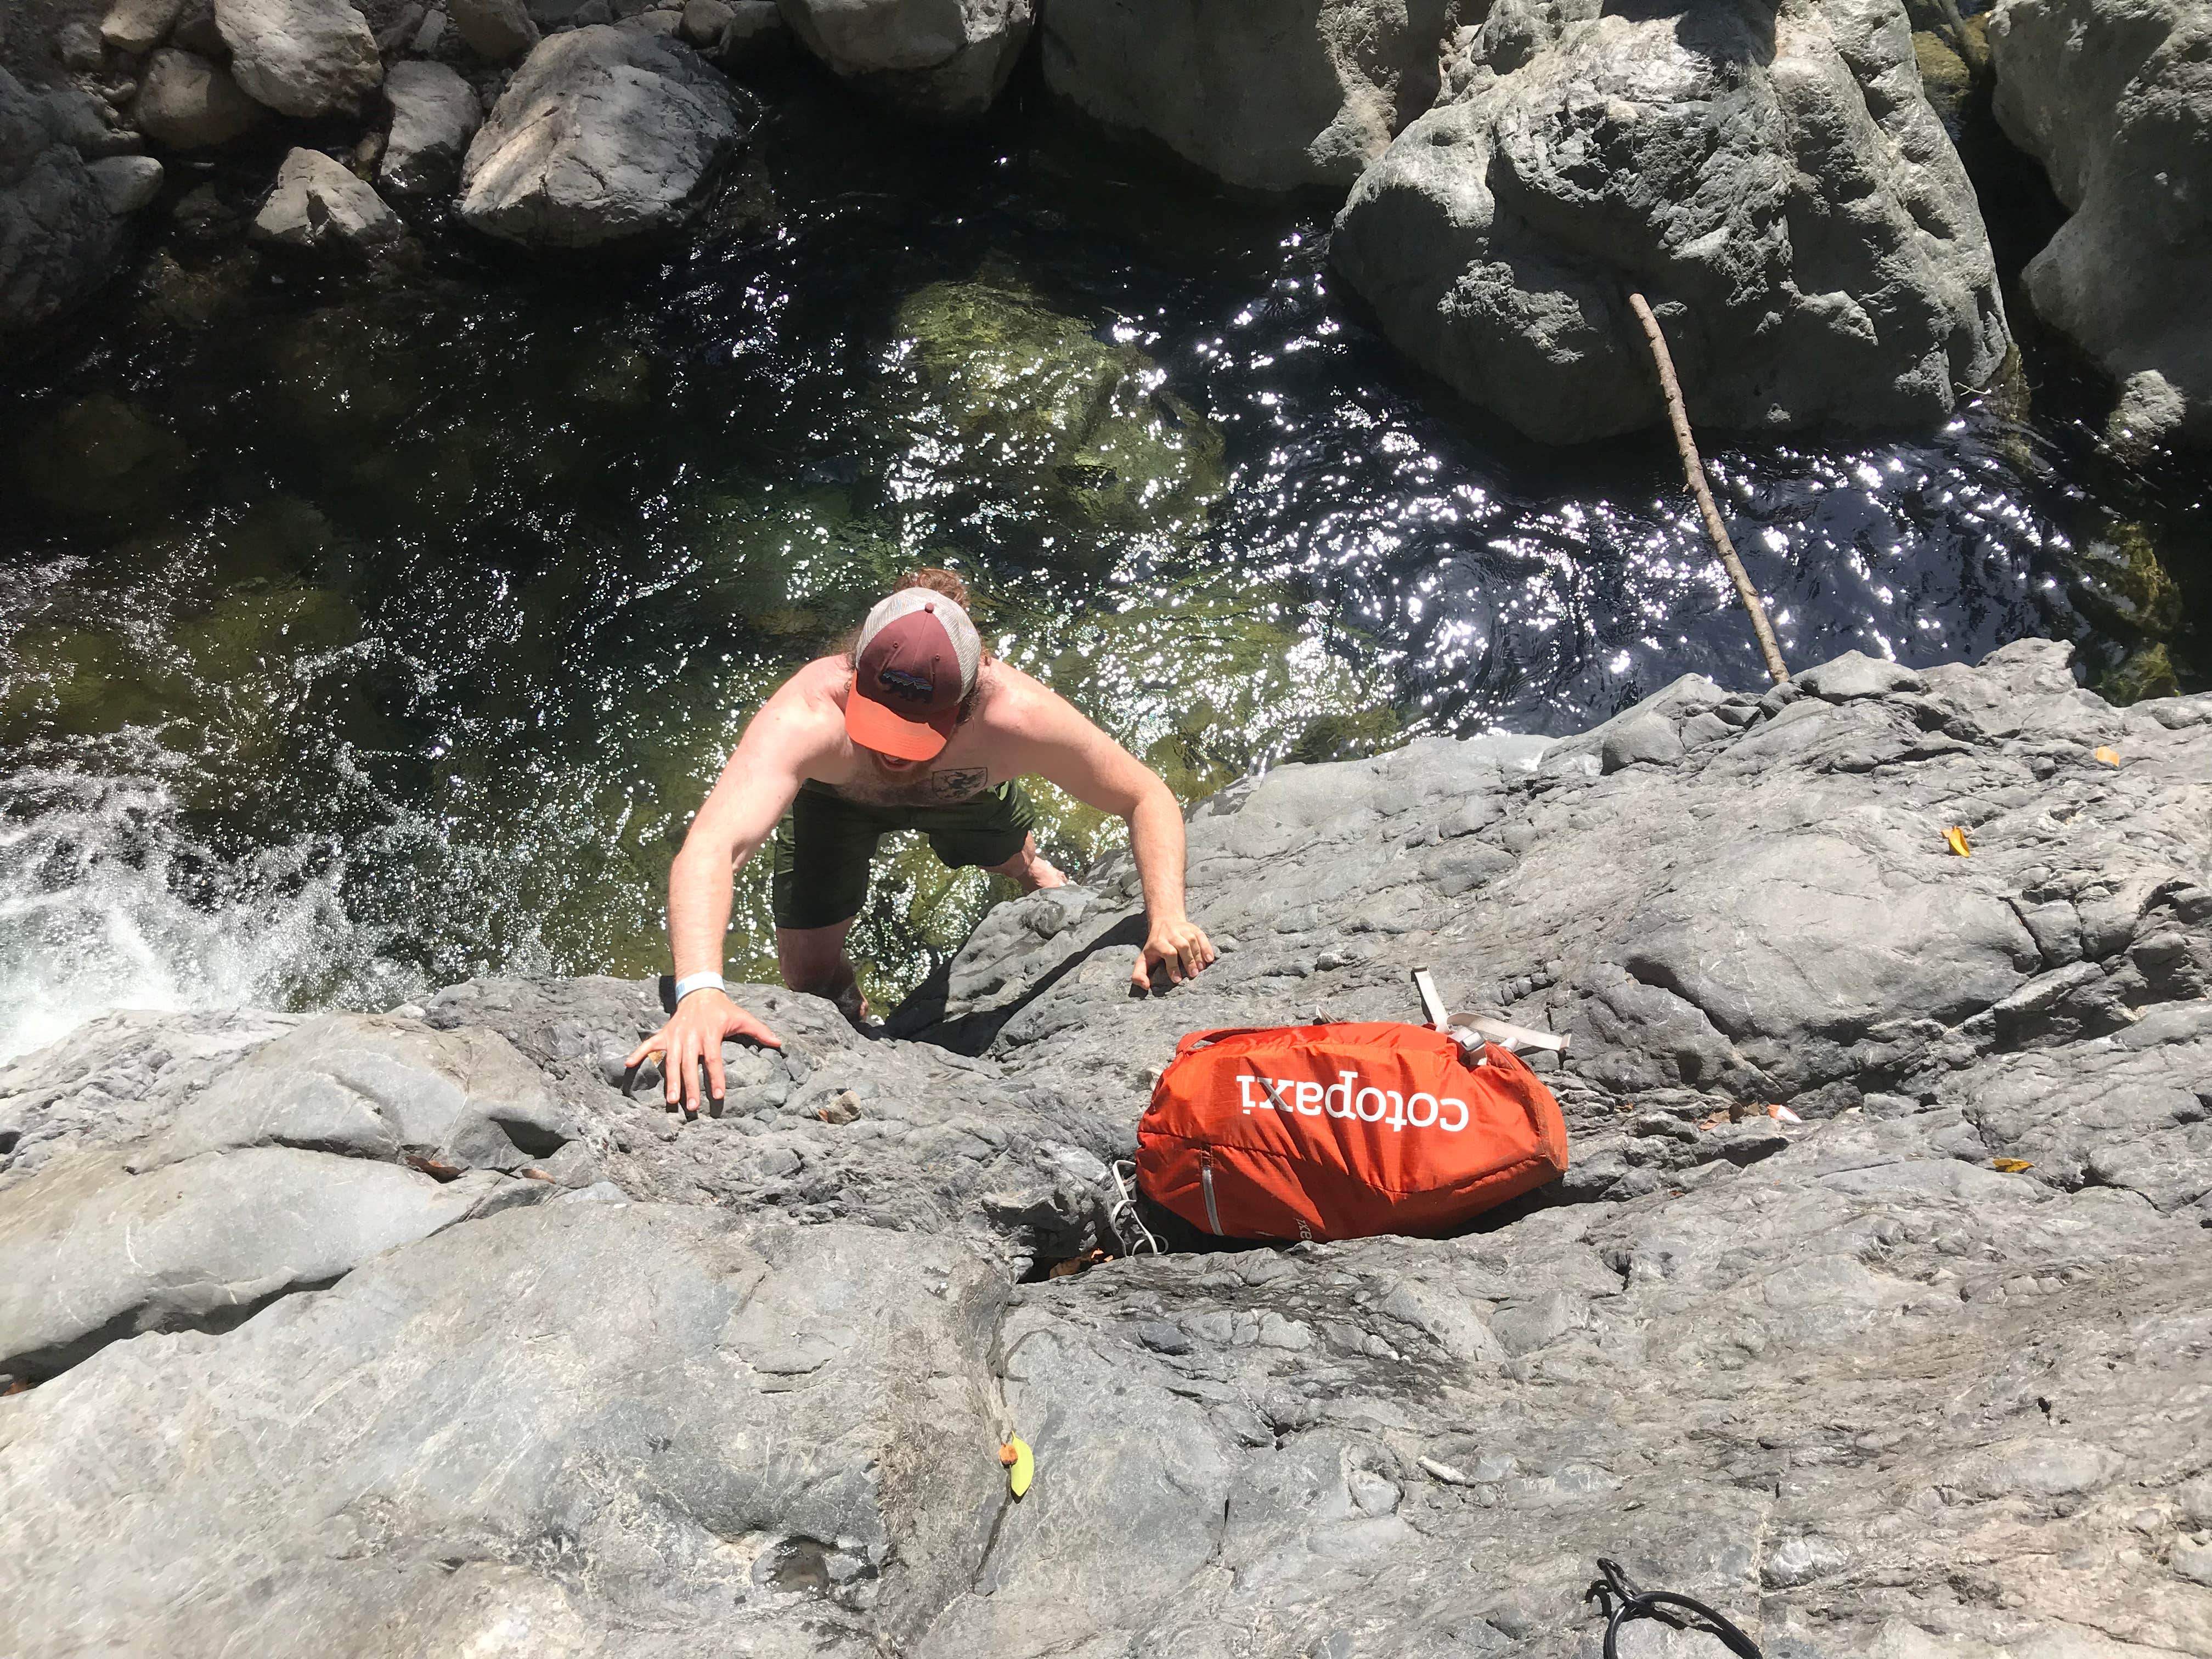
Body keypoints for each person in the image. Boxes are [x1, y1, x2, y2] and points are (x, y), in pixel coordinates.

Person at [627, 568, 1218, 1112]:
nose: (892, 752)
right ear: (855, 675)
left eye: (920, 731)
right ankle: (851, 1009)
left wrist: (1167, 916)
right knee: (806, 973)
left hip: (966, 790)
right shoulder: (810, 712)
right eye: (879, 722)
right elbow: (712, 846)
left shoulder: (1016, 716)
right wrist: (700, 990)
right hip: (838, 802)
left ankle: (1031, 871)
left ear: (971, 698)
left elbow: (1145, 794)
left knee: (1019, 862)